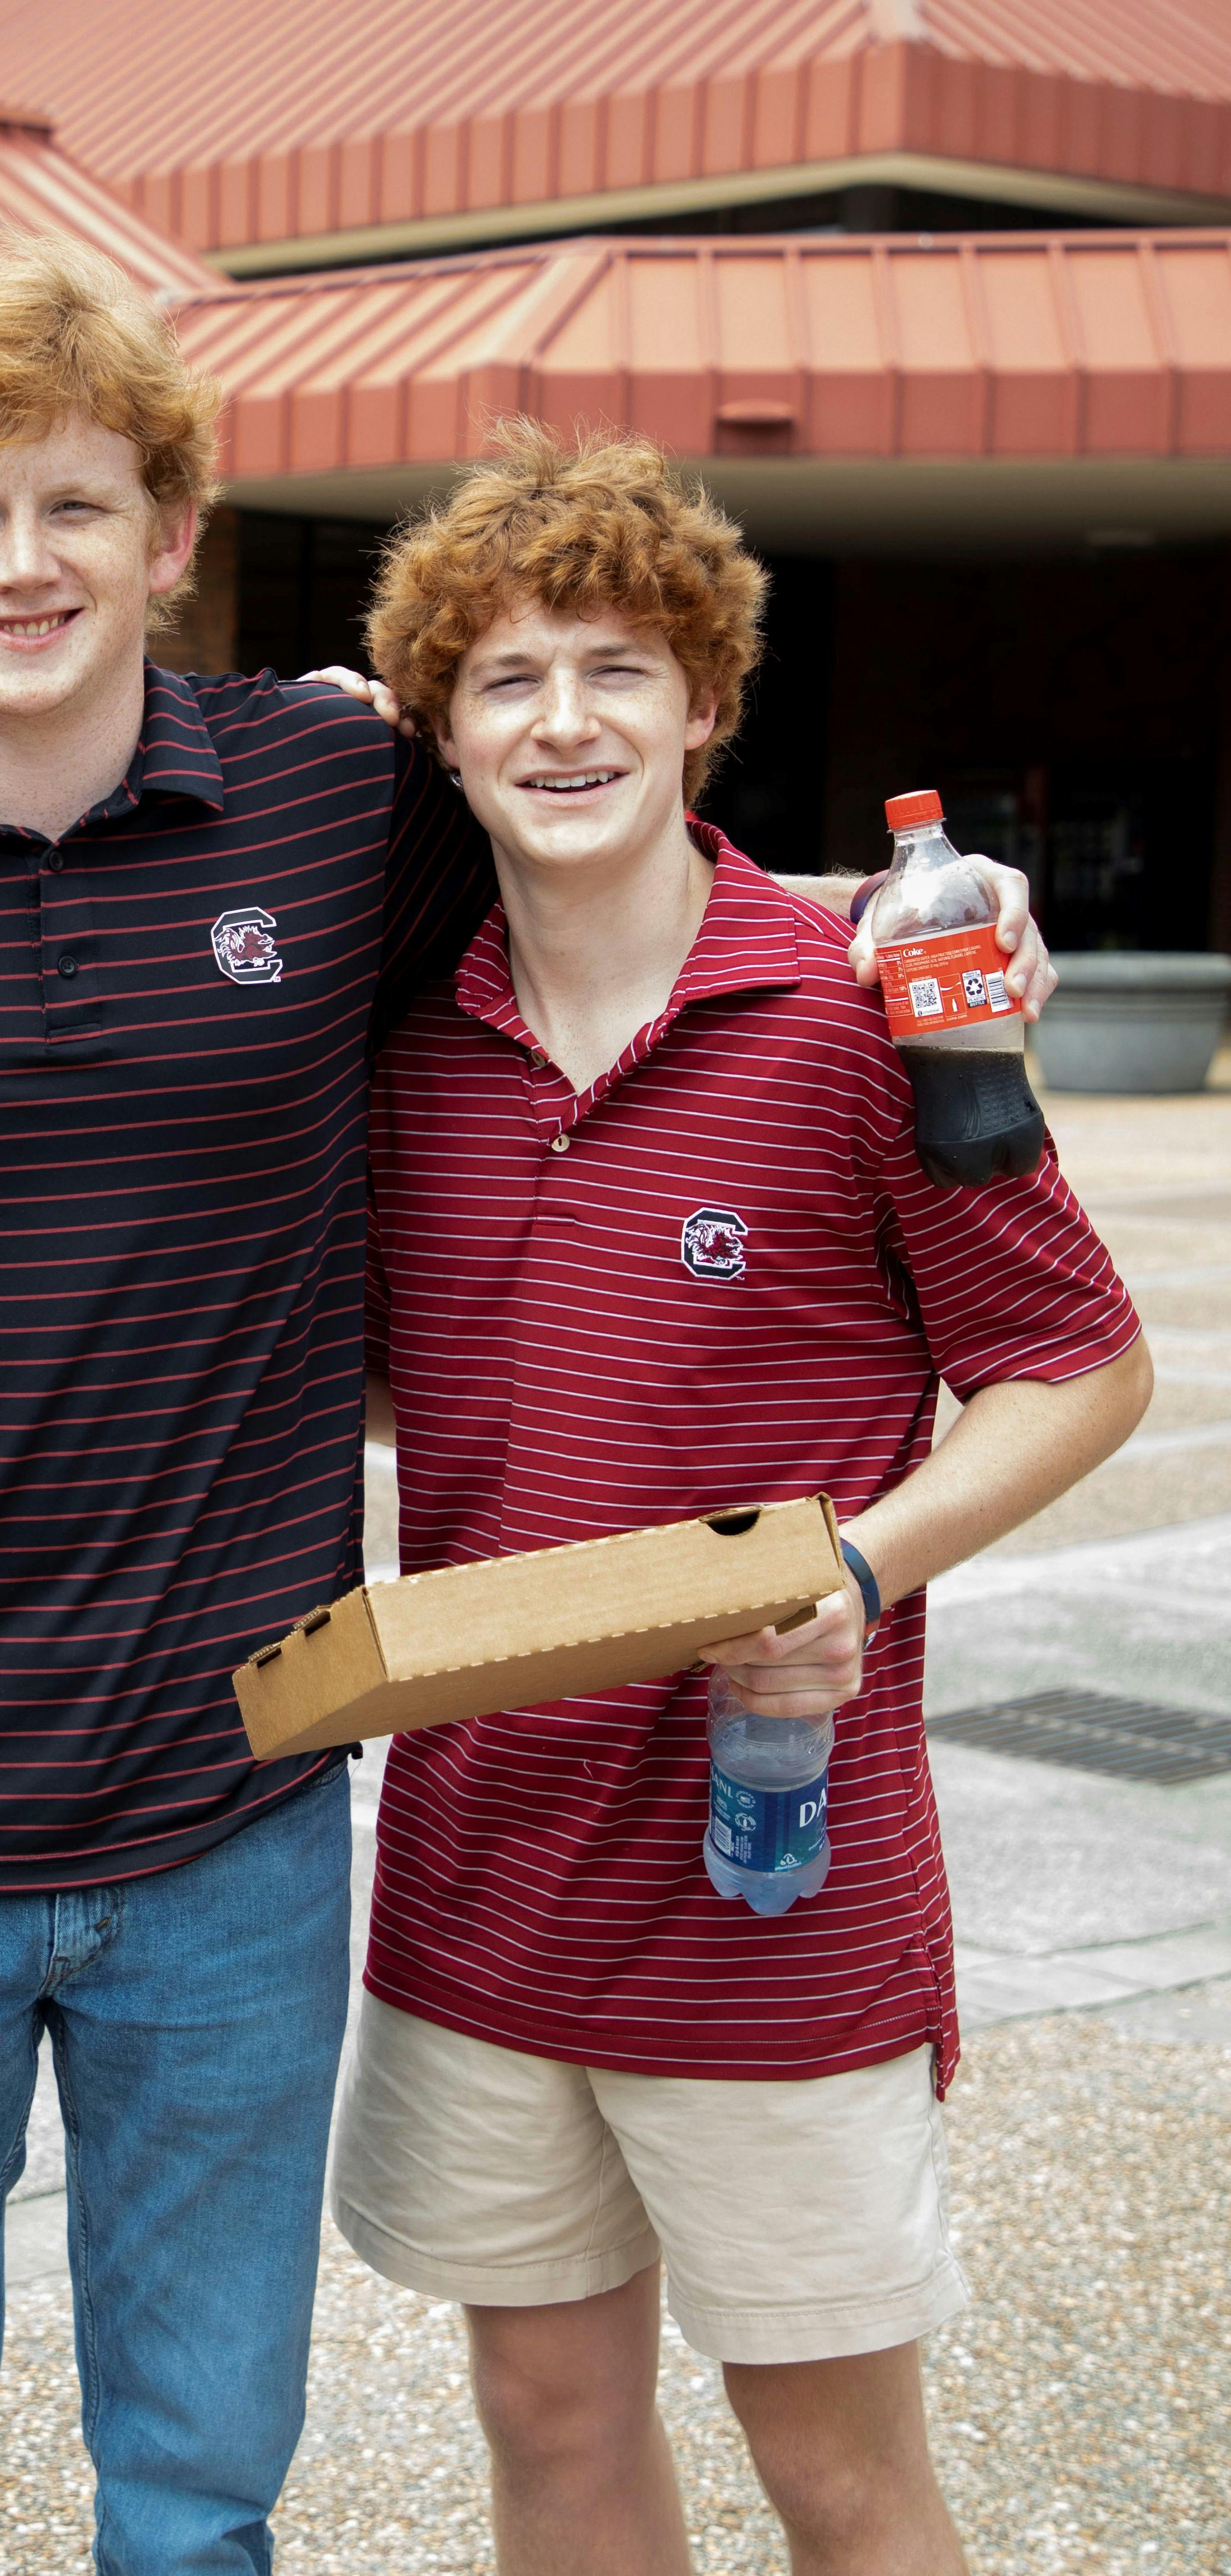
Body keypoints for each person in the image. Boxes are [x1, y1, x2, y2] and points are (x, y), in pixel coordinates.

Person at [0, 240, 1053, 2571]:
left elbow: (602, 866)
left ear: (172, 533)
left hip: (236, 1823)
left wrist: (913, 941)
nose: (24, 562)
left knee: (200, 2499)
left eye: (81, 508)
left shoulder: (325, 794)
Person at [326, 423, 1149, 2576]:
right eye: (503, 680)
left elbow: (1078, 1364)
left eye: (616, 670)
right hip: (480, 1868)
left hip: (771, 1873)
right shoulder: (397, 1037)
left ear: (707, 705)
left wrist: (862, 1565)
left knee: (839, 2472)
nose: (563, 721)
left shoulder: (866, 1012)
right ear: (441, 732)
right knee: (549, 2426)